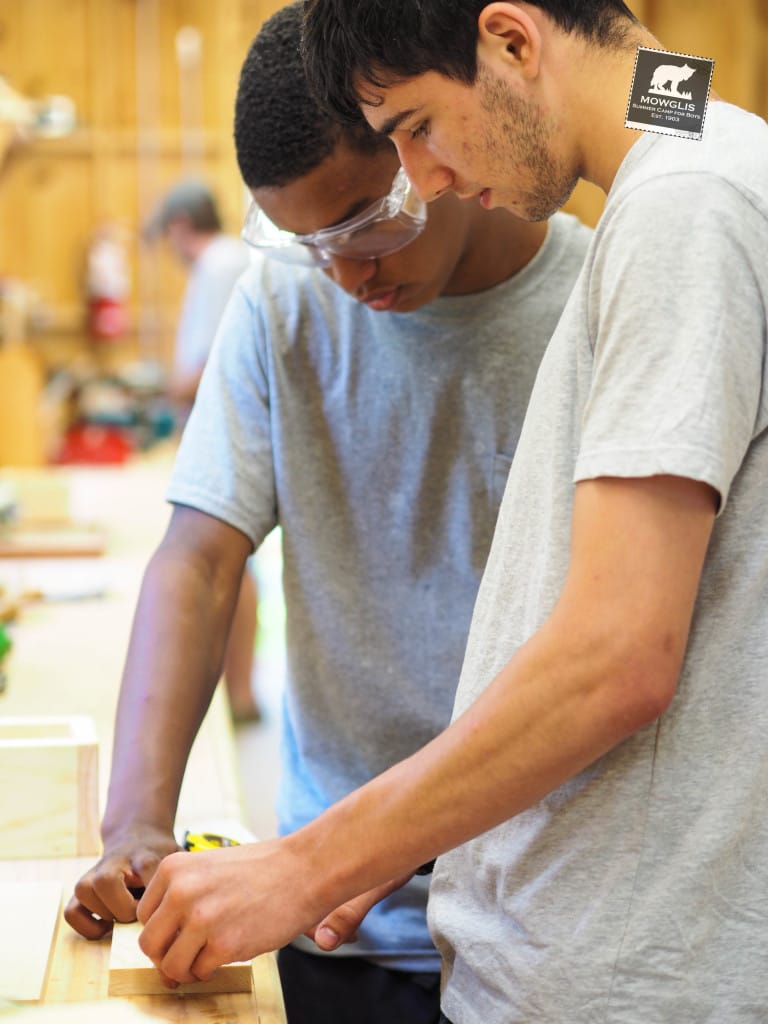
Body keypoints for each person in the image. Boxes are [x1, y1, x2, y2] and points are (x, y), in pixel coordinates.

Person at [127, 2, 767, 1022]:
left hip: (620, 977)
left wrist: (310, 861)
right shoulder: (698, 159)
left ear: (512, 42)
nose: (421, 175)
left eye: (416, 126)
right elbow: (667, 81)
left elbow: (619, 653)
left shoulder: (682, 201)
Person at [63, 4, 592, 1023]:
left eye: (364, 224)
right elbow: (198, 559)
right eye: (310, 244)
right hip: (329, 915)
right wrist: (136, 824)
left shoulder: (592, 302)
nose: (348, 275)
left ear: (430, 151)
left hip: (543, 927)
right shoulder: (281, 303)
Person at [144, 178, 260, 722]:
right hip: (225, 425)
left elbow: (205, 363)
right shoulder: (226, 260)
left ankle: (239, 694)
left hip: (227, 430)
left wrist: (159, 388)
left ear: (180, 228)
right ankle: (238, 692)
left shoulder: (217, 263)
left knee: (224, 565)